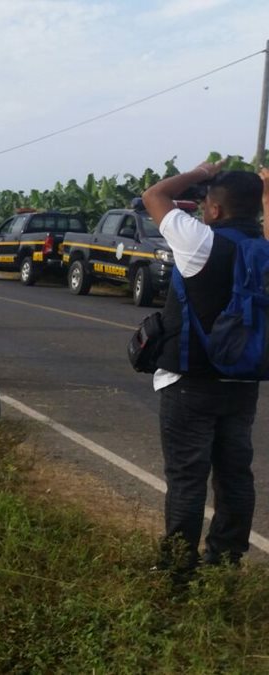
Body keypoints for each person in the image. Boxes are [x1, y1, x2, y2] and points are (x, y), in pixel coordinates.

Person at [141, 162, 265, 575]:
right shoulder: (264, 247)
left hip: (191, 380)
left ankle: (177, 569)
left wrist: (198, 171)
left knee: (187, 478)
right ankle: (224, 562)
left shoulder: (201, 242)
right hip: (244, 381)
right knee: (235, 474)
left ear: (213, 210)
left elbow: (153, 196)